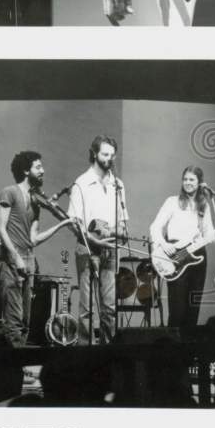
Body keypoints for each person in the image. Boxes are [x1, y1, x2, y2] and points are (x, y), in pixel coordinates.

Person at [0, 151, 73, 347]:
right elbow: (1, 229)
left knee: (25, 320)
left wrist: (61, 225)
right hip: (12, 261)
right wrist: (16, 257)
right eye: (38, 167)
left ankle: (19, 364)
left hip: (29, 260)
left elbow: (33, 240)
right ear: (25, 170)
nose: (43, 171)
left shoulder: (36, 203)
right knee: (13, 318)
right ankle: (14, 369)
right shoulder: (10, 192)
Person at [66, 135, 129, 344]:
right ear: (94, 154)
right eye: (105, 154)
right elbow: (74, 223)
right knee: (87, 309)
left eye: (112, 155)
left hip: (109, 251)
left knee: (109, 307)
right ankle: (85, 356)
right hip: (87, 250)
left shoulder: (117, 185)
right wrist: (94, 239)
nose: (109, 159)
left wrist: (112, 231)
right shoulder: (81, 183)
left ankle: (108, 355)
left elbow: (123, 225)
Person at [150, 165, 215, 329]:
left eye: (192, 179)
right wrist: (164, 244)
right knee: (177, 308)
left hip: (198, 255)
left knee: (193, 308)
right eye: (185, 179)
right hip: (176, 255)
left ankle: (189, 348)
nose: (188, 182)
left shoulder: (204, 205)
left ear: (200, 182)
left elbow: (209, 234)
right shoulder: (172, 202)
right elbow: (155, 227)